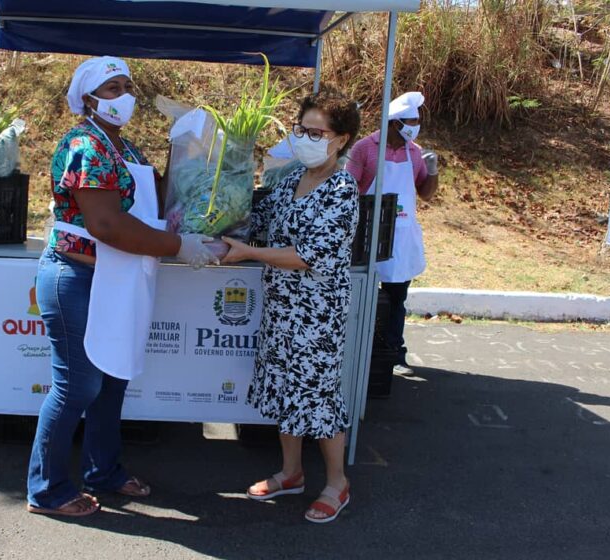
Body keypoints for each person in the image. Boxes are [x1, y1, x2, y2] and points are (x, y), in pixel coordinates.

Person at [26, 56, 218, 517]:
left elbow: (155, 195)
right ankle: (46, 490)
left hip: (118, 278)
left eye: (127, 85)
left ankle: (103, 471)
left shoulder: (123, 148)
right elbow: (107, 224)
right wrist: (179, 246)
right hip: (79, 277)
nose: (124, 96)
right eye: (113, 89)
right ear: (88, 99)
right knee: (77, 387)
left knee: (111, 380)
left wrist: (185, 145)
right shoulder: (85, 145)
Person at [222, 91, 361, 524]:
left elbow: (308, 256)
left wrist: (246, 252)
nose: (306, 138)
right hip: (282, 310)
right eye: (301, 129)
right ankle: (291, 472)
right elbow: (258, 224)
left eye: (317, 133)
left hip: (317, 315)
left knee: (317, 396)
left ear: (341, 139)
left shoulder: (342, 189)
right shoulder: (289, 182)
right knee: (285, 390)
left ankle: (337, 483)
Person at [345, 92, 439, 376]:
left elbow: (426, 193)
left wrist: (432, 170)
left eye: (417, 121)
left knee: (397, 296)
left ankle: (394, 350)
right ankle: (358, 347)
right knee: (362, 294)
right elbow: (350, 189)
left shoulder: (414, 151)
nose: (415, 126)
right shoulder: (365, 148)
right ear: (395, 123)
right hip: (367, 231)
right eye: (411, 121)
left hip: (401, 236)